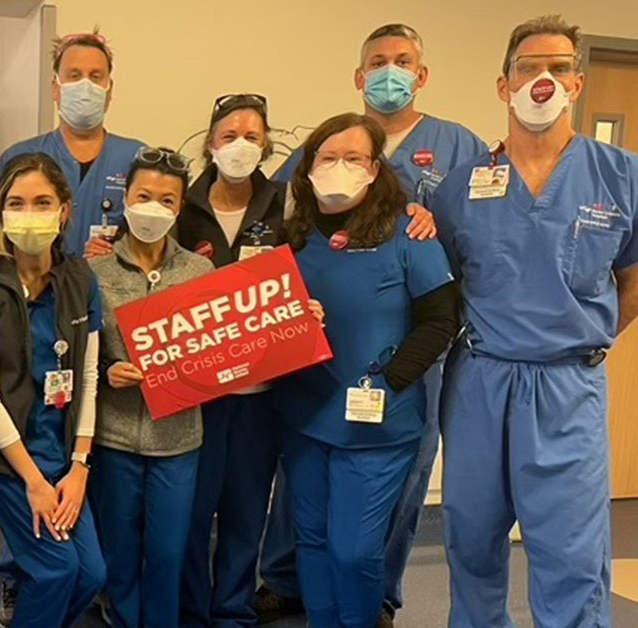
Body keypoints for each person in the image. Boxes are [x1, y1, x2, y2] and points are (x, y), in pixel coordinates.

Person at [266, 24, 481, 626]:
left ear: (375, 168)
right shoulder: (297, 237)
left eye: (354, 158)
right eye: (328, 158)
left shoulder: (411, 233)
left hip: (379, 417)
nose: (339, 168)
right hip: (306, 410)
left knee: (355, 548)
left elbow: (440, 318)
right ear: (308, 168)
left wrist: (392, 381)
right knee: (310, 536)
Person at [431, 15, 638, 628]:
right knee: (470, 541)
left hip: (566, 387)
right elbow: (438, 286)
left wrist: (592, 339)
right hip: (479, 382)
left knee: (570, 551)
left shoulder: (621, 176)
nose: (542, 80)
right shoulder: (461, 188)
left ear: (577, 82)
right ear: (503, 85)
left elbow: (634, 277)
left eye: (558, 68)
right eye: (528, 68)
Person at [0, 152, 106, 628]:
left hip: (61, 454)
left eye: (43, 201)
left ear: (64, 210)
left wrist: (79, 467)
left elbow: (87, 379)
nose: (30, 213)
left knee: (92, 575)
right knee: (57, 569)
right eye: (16, 203)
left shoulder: (80, 279)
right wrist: (34, 482)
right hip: (4, 458)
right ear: (1, 213)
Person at [175, 93, 300, 628]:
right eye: (229, 136)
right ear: (210, 143)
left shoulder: (289, 203)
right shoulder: (183, 204)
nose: (240, 146)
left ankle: (231, 610)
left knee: (247, 511)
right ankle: (191, 609)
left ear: (267, 143)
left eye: (252, 136)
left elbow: (312, 268)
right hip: (197, 394)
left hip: (261, 393)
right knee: (192, 511)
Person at [87, 146, 214, 628]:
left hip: (178, 439)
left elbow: (222, 346)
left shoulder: (198, 273)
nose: (153, 207)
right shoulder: (94, 272)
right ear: (125, 198)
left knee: (167, 553)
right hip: (115, 435)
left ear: (179, 207)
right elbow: (77, 349)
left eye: (166, 199)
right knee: (118, 554)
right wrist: (106, 374)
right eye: (143, 195)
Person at [0, 29, 144, 260]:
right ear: (55, 88)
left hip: (113, 291)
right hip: (31, 289)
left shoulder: (136, 158)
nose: (85, 86)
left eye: (96, 76)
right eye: (74, 75)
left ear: (110, 90)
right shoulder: (19, 157)